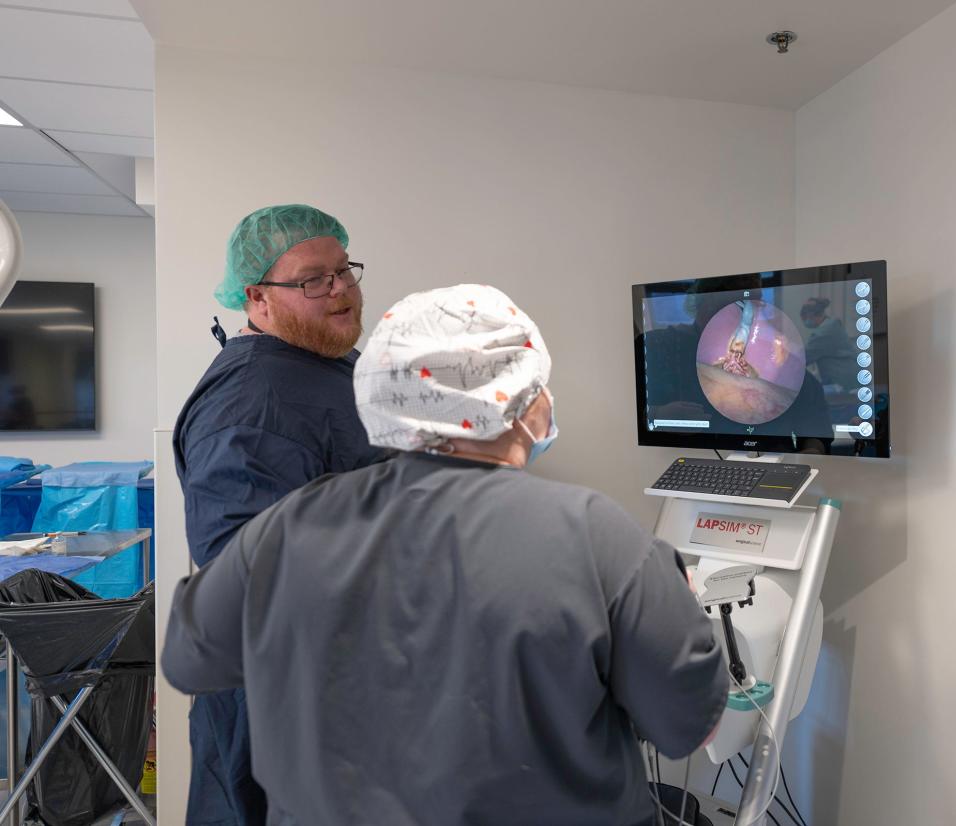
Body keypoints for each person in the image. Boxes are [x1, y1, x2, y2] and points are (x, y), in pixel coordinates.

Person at [162, 285, 729, 826]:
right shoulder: (596, 536)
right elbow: (690, 729)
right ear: (524, 406)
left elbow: (190, 661)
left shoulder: (287, 529)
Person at [173, 204, 387, 825]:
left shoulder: (320, 360)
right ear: (256, 297)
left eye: (346, 270)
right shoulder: (251, 403)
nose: (342, 289)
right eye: (313, 279)